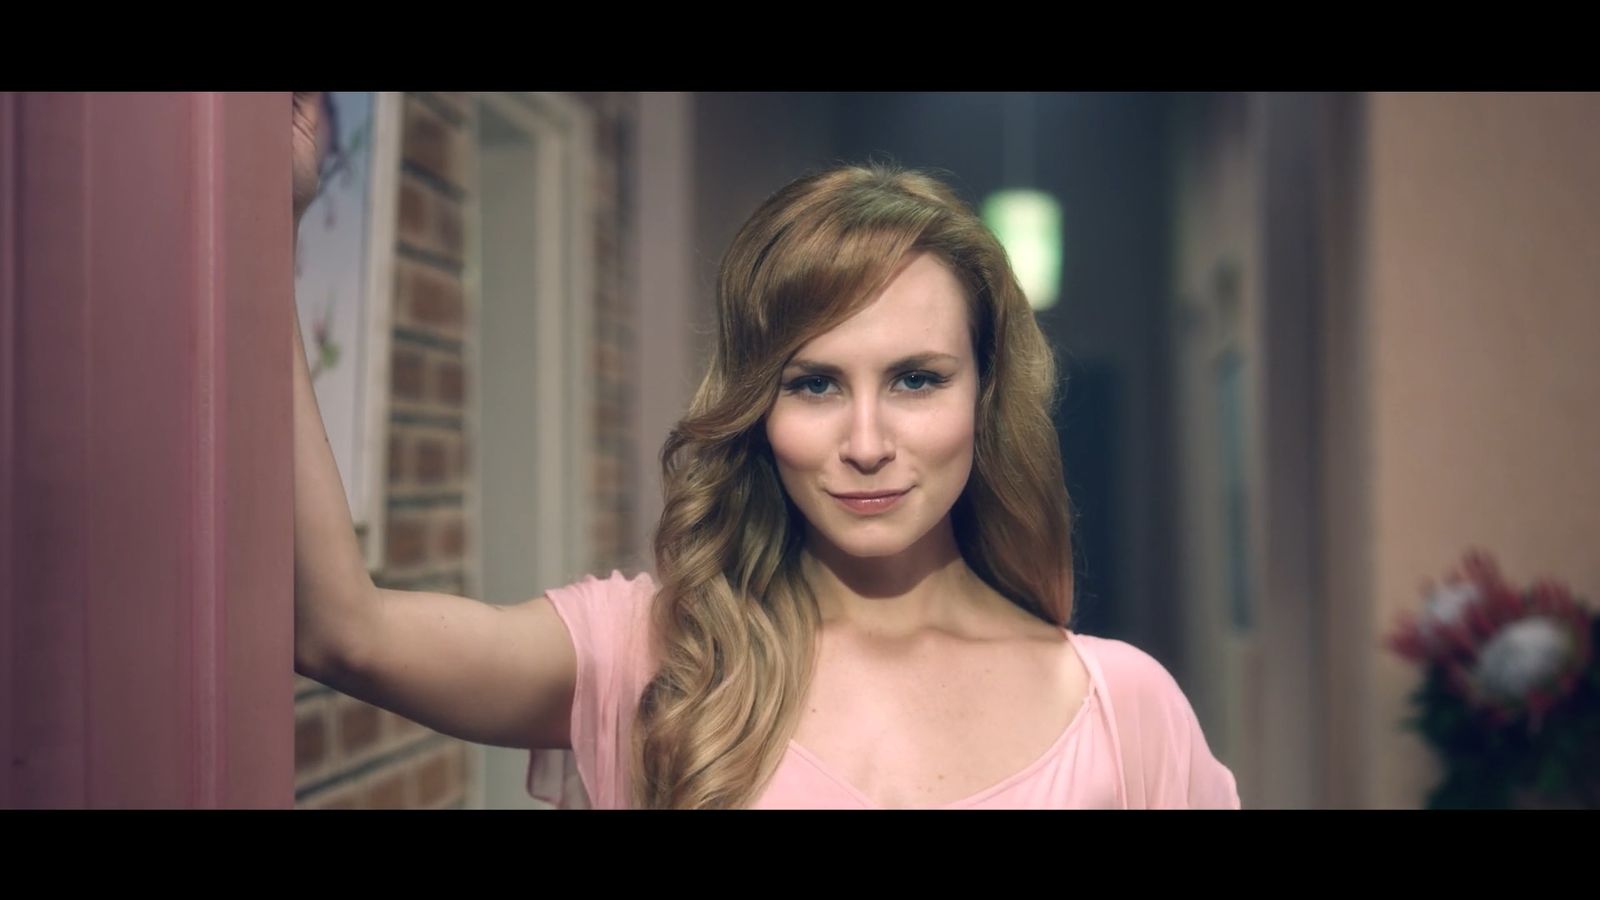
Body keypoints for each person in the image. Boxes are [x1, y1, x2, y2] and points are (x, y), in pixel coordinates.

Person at [290, 91, 1240, 810]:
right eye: (814, 383)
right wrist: (270, 228)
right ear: (757, 408)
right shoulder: (662, 657)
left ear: (985, 396)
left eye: (917, 379)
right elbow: (343, 633)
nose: (866, 445)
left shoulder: (1123, 711)